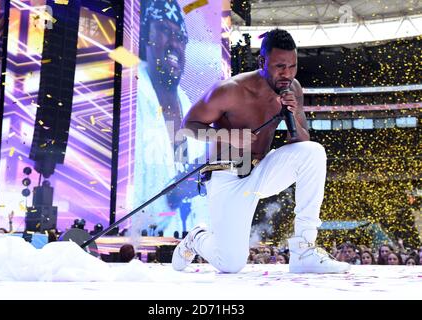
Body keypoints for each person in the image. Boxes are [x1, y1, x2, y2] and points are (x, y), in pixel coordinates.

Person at [171, 28, 350, 273]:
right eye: (279, 66)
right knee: (231, 264)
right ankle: (198, 237)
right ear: (262, 62)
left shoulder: (293, 89)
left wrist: (289, 113)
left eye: (292, 66)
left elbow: (301, 139)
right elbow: (187, 128)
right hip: (227, 176)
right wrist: (228, 136)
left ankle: (303, 250)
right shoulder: (230, 90)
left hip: (261, 171)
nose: (287, 73)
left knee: (313, 152)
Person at [133, 0, 207, 236]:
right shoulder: (131, 97)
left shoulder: (190, 107)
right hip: (140, 242)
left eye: (181, 38)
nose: (174, 44)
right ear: (147, 35)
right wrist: (173, 196)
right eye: (165, 30)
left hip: (189, 240)